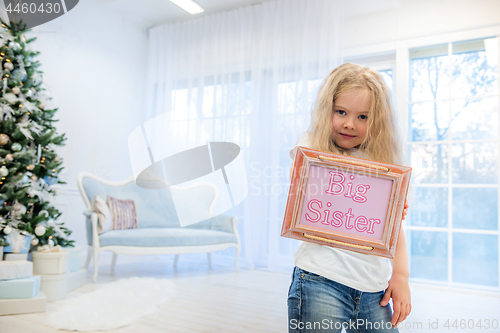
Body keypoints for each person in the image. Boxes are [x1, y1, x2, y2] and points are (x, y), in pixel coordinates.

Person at [287, 63, 411, 333]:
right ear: (326, 110)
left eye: (363, 117)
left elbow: (394, 228)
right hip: (320, 279)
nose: (349, 123)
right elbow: (302, 188)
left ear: (377, 120)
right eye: (340, 111)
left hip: (373, 287)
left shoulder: (383, 164)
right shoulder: (311, 145)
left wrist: (400, 275)